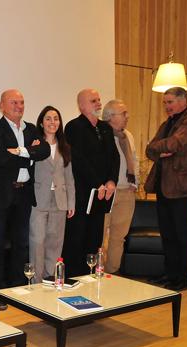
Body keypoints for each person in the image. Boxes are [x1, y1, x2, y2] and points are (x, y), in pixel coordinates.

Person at [0, 89, 50, 310]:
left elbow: (45, 151)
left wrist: (20, 151)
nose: (19, 106)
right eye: (13, 102)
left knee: (21, 244)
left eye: (22, 102)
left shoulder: (31, 129)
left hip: (23, 194)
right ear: (1, 105)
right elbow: (1, 158)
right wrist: (29, 154)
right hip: (1, 195)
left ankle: (17, 288)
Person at [144, 87, 187, 291]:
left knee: (182, 234)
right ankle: (170, 274)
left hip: (182, 188)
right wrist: (161, 150)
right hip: (164, 186)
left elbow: (175, 144)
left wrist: (161, 148)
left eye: (170, 102)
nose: (166, 106)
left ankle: (183, 278)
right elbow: (150, 148)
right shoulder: (167, 123)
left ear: (183, 100)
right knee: (167, 234)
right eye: (165, 103)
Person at [62, 88, 119, 277]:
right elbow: (78, 160)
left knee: (95, 239)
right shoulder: (73, 127)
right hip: (82, 195)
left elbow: (114, 157)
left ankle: (91, 276)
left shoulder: (105, 127)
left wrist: (111, 181)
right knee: (77, 239)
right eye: (93, 100)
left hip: (102, 194)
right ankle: (74, 278)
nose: (98, 103)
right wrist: (97, 183)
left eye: (99, 100)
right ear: (81, 106)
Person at [29, 106, 75, 282]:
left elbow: (69, 177)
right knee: (37, 242)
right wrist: (31, 150)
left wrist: (71, 203)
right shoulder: (35, 144)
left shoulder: (65, 147)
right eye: (48, 118)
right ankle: (35, 282)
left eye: (56, 118)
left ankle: (50, 280)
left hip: (60, 201)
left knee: (55, 243)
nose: (52, 122)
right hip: (38, 200)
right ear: (41, 122)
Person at [102, 100, 139, 274]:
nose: (127, 116)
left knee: (118, 238)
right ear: (110, 117)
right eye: (123, 113)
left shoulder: (128, 136)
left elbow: (134, 159)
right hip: (106, 193)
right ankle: (98, 274)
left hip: (126, 192)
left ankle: (111, 274)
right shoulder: (101, 134)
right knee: (99, 239)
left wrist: (135, 182)